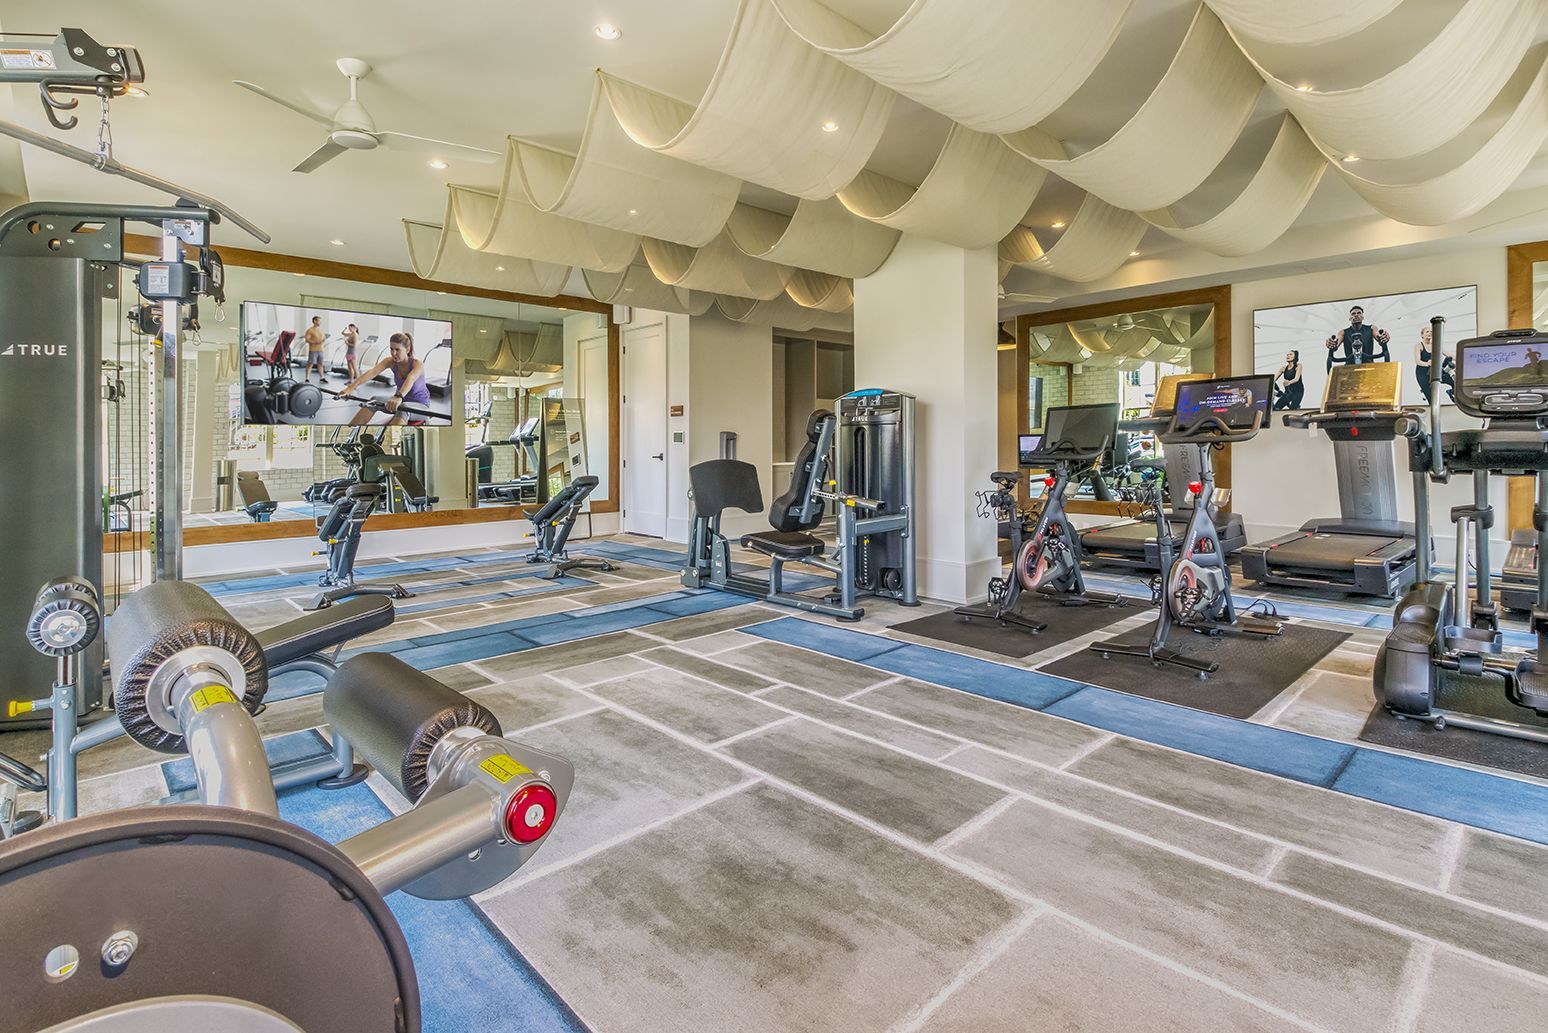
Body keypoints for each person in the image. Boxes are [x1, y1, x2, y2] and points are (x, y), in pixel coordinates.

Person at [338, 331, 429, 427]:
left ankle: (390, 440)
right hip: (401, 401)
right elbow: (372, 372)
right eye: (391, 349)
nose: (394, 353)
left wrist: (398, 397)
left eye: (398, 350)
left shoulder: (417, 364)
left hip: (421, 406)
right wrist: (350, 388)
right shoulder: (390, 361)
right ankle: (348, 431)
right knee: (373, 402)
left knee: (403, 408)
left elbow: (410, 379)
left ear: (407, 349)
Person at [1325, 305, 1391, 371]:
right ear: (1350, 318)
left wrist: (1383, 337)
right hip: (1350, 368)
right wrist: (1332, 343)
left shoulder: (1371, 328)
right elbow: (1336, 344)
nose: (1356, 315)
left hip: (1368, 366)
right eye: (1353, 314)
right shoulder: (1343, 332)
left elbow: (1378, 337)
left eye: (1359, 313)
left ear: (1362, 317)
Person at [1414, 325, 1455, 403]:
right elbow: (1418, 361)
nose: (1430, 333)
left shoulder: (1435, 345)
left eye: (1431, 332)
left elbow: (1449, 354)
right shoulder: (1418, 346)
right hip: (1423, 374)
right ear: (1422, 335)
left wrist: (1461, 358)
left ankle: (1451, 392)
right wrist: (1427, 363)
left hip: (1434, 371)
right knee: (1432, 399)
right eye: (1427, 331)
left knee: (1453, 382)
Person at [303, 315, 328, 383]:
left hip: (321, 350)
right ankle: (307, 378)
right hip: (313, 350)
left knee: (320, 364)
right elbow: (307, 339)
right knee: (310, 364)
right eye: (319, 321)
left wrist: (323, 340)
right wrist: (315, 342)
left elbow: (323, 338)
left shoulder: (321, 330)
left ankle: (322, 378)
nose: (320, 322)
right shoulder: (310, 330)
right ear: (314, 321)